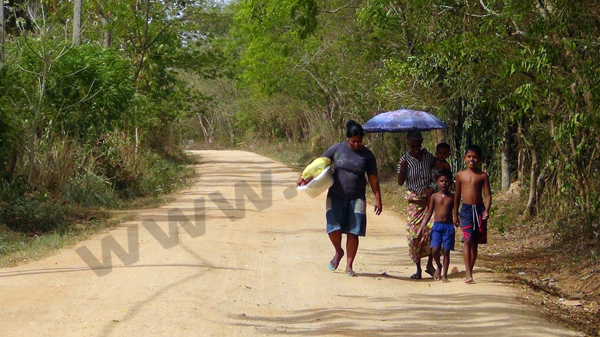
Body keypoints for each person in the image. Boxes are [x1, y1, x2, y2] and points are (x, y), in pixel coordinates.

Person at [297, 120, 382, 277]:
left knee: (353, 231)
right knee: (333, 228)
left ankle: (349, 266)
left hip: (357, 198)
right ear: (347, 139)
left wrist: (378, 198)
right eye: (353, 141)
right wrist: (305, 177)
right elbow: (319, 165)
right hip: (335, 195)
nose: (356, 144)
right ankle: (338, 251)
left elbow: (373, 178)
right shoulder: (337, 149)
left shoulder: (368, 156)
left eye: (359, 141)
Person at [397, 130, 437, 280]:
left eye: (418, 144)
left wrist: (432, 189)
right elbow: (400, 182)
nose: (416, 148)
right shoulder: (404, 160)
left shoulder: (429, 157)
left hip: (430, 201)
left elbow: (440, 174)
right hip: (414, 202)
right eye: (413, 145)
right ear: (408, 143)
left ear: (422, 142)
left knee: (432, 231)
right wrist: (402, 170)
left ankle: (430, 265)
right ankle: (418, 268)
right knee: (414, 236)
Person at [453, 145, 492, 284]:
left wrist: (487, 210)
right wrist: (455, 213)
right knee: (467, 239)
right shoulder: (460, 175)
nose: (472, 159)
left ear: (479, 159)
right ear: (464, 158)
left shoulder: (482, 176)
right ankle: (468, 272)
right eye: (469, 156)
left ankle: (471, 268)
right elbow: (457, 196)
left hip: (479, 210)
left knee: (475, 242)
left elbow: (487, 195)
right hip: (466, 211)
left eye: (474, 157)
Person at [420, 169, 456, 283]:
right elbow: (430, 211)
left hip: (448, 227)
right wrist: (424, 224)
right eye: (441, 181)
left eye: (446, 181)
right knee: (435, 250)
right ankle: (439, 266)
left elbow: (455, 211)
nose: (444, 183)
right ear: (437, 182)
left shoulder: (453, 197)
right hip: (437, 226)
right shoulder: (434, 196)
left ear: (450, 183)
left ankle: (444, 274)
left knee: (446, 251)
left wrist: (456, 218)